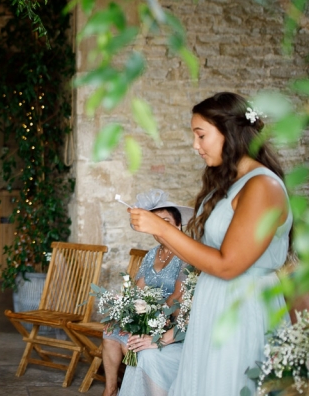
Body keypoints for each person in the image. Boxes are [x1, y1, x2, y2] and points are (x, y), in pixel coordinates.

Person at [129, 92, 293, 395]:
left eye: (201, 135)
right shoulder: (228, 185)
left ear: (229, 132)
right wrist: (158, 233)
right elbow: (203, 258)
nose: (195, 146)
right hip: (215, 303)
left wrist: (165, 230)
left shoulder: (263, 186)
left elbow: (228, 265)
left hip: (243, 307)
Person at [101, 190, 191, 396]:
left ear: (178, 225)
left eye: (166, 221)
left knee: (134, 344)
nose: (160, 226)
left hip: (170, 319)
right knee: (110, 330)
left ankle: (139, 386)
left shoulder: (185, 254)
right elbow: (137, 288)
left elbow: (178, 297)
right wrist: (130, 313)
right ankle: (110, 389)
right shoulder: (152, 254)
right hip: (147, 314)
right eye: (156, 221)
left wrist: (151, 322)